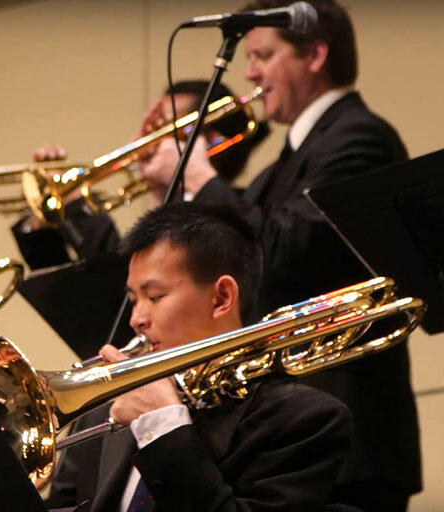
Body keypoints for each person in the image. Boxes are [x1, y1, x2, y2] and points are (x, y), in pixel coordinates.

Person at [139, 1, 420, 509]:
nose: (249, 74)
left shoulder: (359, 136)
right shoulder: (283, 165)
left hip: (343, 431)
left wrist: (201, 178)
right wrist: (172, 195)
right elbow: (233, 260)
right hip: (288, 433)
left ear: (315, 54)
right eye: (248, 58)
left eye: (262, 56)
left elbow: (286, 253)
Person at [47, 202, 353, 511]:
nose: (136, 319)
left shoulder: (302, 421)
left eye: (154, 297)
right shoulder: (107, 409)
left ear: (221, 298)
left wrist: (163, 426)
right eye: (133, 299)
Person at [14, 80, 268, 270]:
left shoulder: (244, 213)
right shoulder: (160, 218)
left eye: (164, 127)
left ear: (210, 142)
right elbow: (79, 294)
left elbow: (119, 281)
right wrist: (46, 219)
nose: (149, 141)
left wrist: (78, 208)